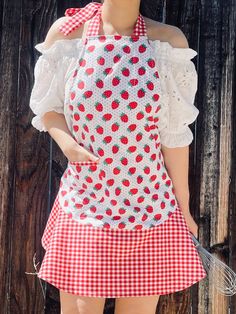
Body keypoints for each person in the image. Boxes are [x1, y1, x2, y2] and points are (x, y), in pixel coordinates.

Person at [29, 0, 207, 313]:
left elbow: (174, 135)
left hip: (148, 208)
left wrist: (184, 208)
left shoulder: (166, 42)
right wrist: (67, 144)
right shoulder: (68, 35)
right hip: (86, 204)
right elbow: (48, 107)